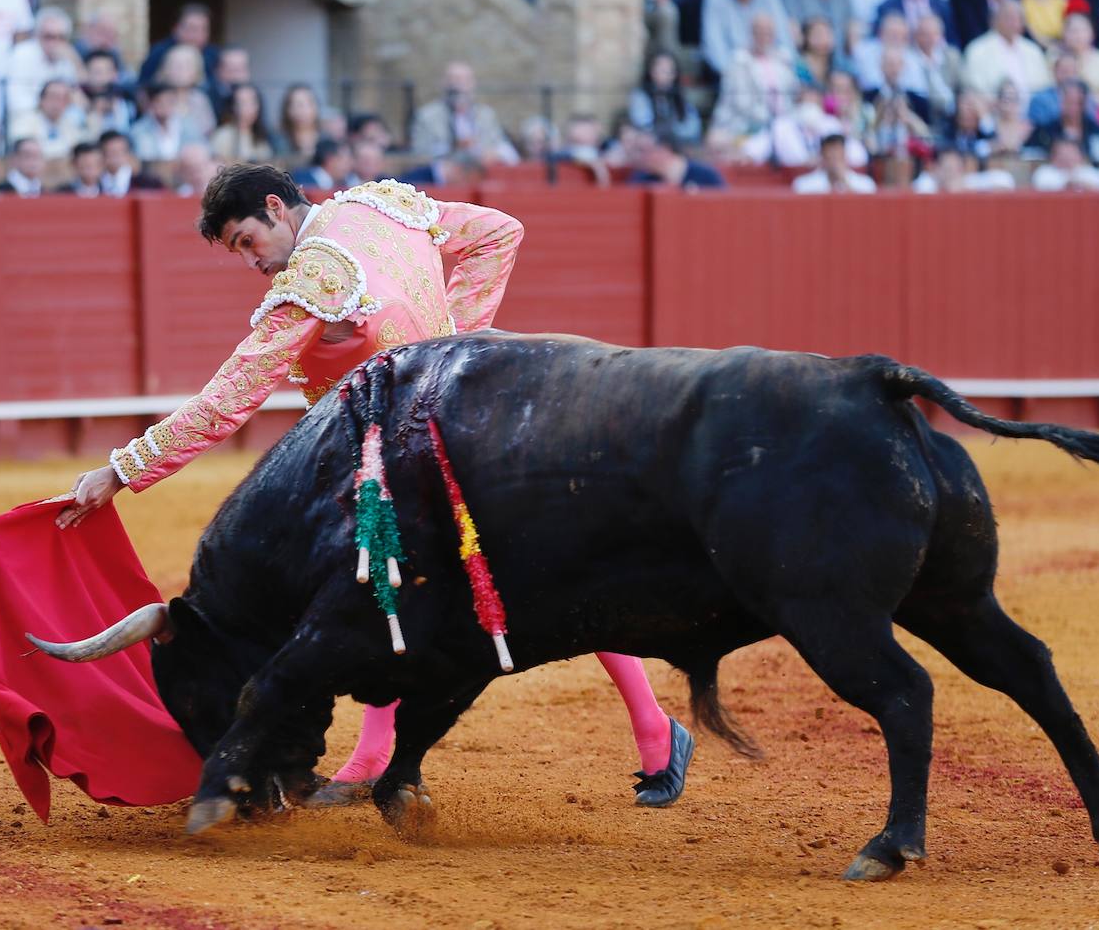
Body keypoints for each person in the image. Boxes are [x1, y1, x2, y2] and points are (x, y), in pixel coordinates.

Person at [55, 164, 697, 809]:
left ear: (276, 208)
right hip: (446, 434)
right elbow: (498, 233)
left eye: (247, 240)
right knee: (408, 581)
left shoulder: (314, 276)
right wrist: (454, 349)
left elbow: (235, 393)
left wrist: (125, 468)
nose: (251, 260)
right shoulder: (380, 204)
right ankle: (377, 758)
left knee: (485, 579)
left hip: (411, 453)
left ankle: (651, 732)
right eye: (237, 252)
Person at [409, 61, 519, 164]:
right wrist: (452, 148)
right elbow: (419, 154)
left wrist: (489, 153)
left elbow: (505, 149)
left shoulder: (486, 115)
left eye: (466, 80)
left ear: (473, 84)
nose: (459, 86)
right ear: (444, 83)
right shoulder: (427, 116)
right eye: (454, 79)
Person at [711, 11, 798, 139]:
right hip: (744, 124)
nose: (764, 36)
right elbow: (741, 103)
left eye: (768, 32)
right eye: (759, 31)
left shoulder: (783, 59)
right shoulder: (739, 60)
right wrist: (772, 121)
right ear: (751, 33)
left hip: (782, 122)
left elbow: (792, 93)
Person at [701, 0, 793, 79]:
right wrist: (731, 72)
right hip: (732, 68)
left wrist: (786, 61)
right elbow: (714, 43)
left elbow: (783, 33)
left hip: (771, 64)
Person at [962, 0, 1053, 104]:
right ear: (995, 21)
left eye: (1017, 18)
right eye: (1008, 18)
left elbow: (1044, 87)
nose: (1013, 22)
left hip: (1032, 115)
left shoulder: (1033, 50)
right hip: (993, 112)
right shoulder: (977, 49)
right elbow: (974, 88)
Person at [5, 6, 81, 124]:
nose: (55, 43)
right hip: (29, 118)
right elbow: (16, 100)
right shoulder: (22, 54)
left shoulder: (67, 58)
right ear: (37, 36)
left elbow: (77, 97)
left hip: (60, 119)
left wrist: (75, 62)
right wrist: (47, 108)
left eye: (61, 37)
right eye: (49, 37)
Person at [628, 49, 703, 145]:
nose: (666, 75)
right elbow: (643, 126)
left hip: (679, 147)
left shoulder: (680, 96)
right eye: (662, 70)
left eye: (670, 71)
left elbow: (692, 128)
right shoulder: (640, 97)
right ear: (651, 72)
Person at [138, 2, 217, 87]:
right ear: (175, 29)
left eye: (203, 29)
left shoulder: (213, 55)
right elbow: (144, 86)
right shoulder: (159, 53)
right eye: (192, 28)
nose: (197, 35)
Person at [1028, 78, 1099, 160]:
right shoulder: (1044, 132)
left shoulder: (1098, 132)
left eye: (1078, 103)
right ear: (1061, 101)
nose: (1073, 108)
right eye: (1069, 102)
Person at [154, 42, 217, 140]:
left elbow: (208, 131)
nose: (180, 70)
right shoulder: (157, 98)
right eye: (175, 65)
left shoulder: (200, 100)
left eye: (187, 65)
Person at [9, 78, 82, 160]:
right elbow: (26, 152)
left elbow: (78, 151)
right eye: (53, 97)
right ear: (41, 99)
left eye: (63, 98)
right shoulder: (23, 122)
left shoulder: (71, 125)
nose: (58, 103)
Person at [130, 82, 203, 164]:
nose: (165, 106)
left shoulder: (188, 124)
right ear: (151, 103)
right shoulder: (139, 130)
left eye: (169, 101)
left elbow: (200, 148)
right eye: (160, 102)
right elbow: (145, 157)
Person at [628, 129, 726, 188]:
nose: (641, 156)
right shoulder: (641, 177)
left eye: (645, 151)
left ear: (665, 150)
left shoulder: (705, 175)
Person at [792, 130, 877, 191]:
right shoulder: (803, 184)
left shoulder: (866, 184)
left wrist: (844, 182)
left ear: (845, 155)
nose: (834, 156)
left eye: (837, 152)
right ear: (822, 155)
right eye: (830, 152)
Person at [211, 82, 274, 162]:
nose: (247, 108)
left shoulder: (264, 136)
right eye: (241, 103)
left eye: (252, 102)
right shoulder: (222, 135)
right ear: (232, 107)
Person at [1031, 134, 1099, 187]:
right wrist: (1069, 183)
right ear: (1053, 157)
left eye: (1071, 153)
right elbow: (1042, 185)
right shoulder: (1045, 172)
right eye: (1062, 153)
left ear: (1080, 157)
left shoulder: (1088, 172)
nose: (1067, 158)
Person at [912, 144, 1016, 190]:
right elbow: (921, 189)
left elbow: (1006, 180)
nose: (953, 174)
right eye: (948, 169)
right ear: (935, 168)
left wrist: (966, 190)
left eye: (957, 169)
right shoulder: (927, 181)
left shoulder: (970, 182)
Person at [97, 129, 163, 196]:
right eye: (111, 152)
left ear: (128, 153)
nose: (116, 157)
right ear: (102, 155)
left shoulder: (148, 183)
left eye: (120, 152)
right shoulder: (95, 183)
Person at [277, 82, 322, 158]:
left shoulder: (325, 138)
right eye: (295, 105)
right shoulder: (279, 140)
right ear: (287, 110)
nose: (301, 111)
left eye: (307, 104)